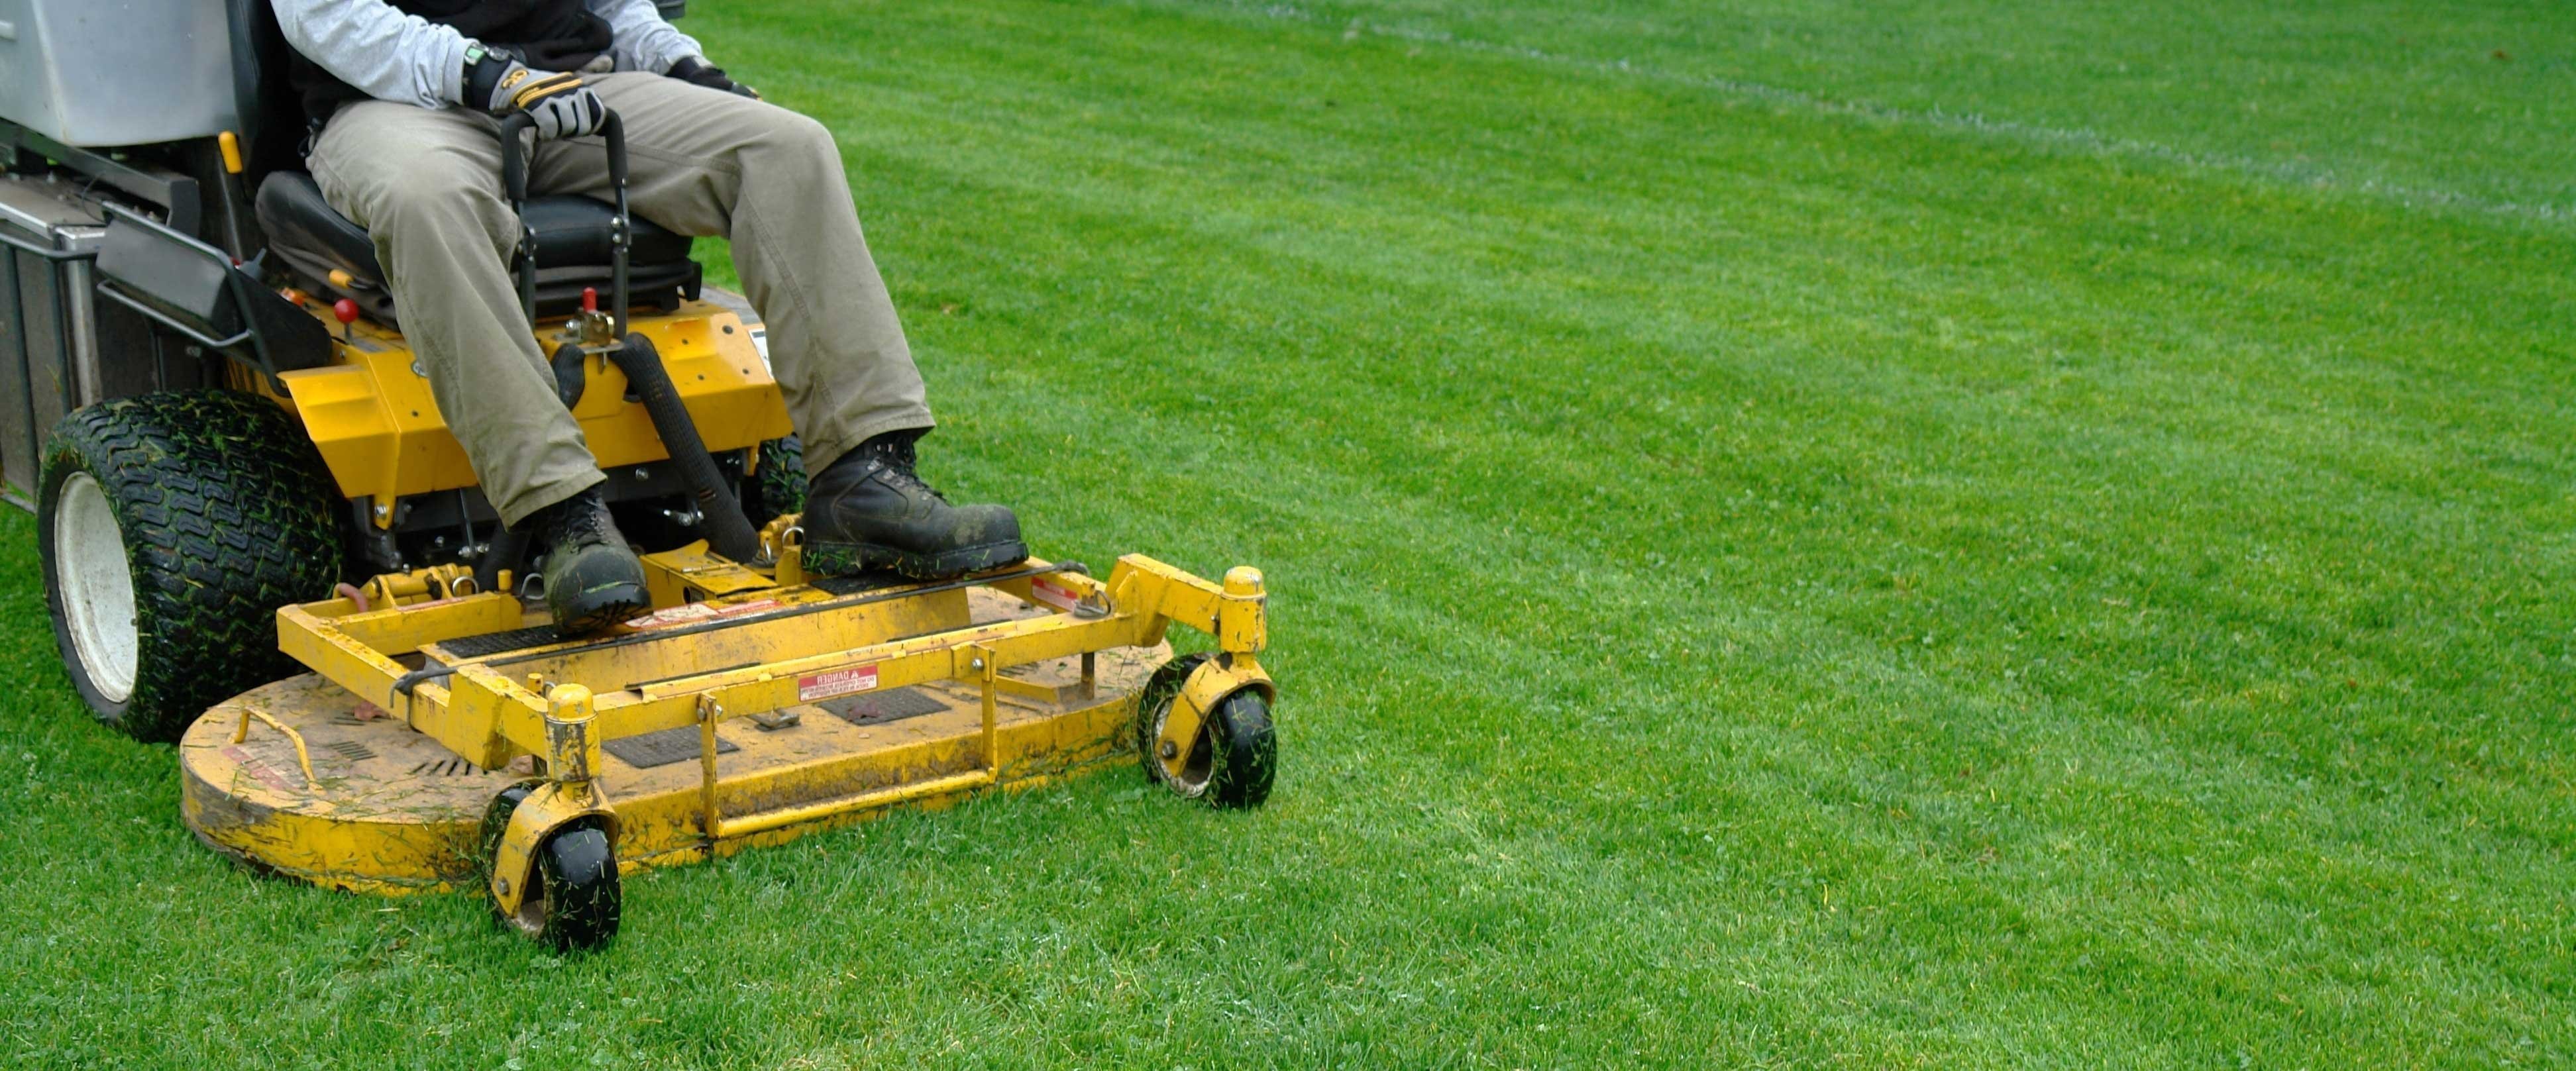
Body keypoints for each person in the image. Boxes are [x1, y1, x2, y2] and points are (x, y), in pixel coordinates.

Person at [272, 0, 1024, 635]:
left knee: (788, 148)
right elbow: (326, 16)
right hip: (398, 106)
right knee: (428, 201)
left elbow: (614, 7)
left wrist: (685, 70)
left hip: (573, 92)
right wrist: (484, 74)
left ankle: (864, 476)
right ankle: (561, 515)